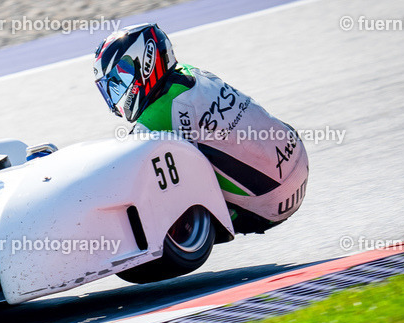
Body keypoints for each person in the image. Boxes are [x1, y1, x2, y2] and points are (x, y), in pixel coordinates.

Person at [92, 23, 308, 234]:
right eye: (110, 88)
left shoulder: (154, 117)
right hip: (297, 157)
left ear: (145, 63)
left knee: (151, 178)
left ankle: (193, 234)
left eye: (119, 81)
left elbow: (120, 170)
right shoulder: (191, 72)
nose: (116, 94)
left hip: (267, 203)